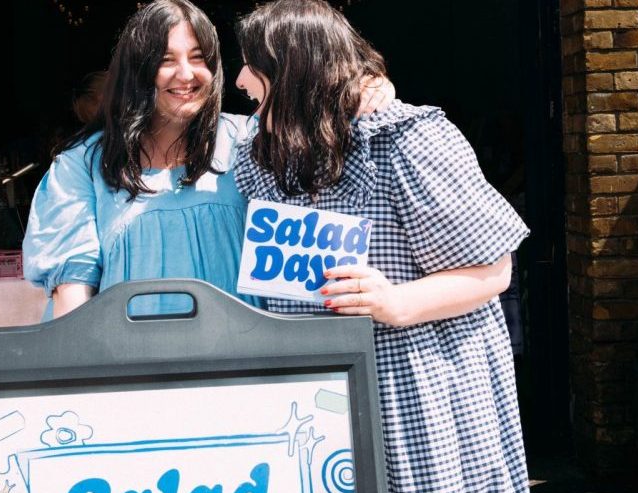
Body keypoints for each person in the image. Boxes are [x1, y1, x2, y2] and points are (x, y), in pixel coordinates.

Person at [233, 1, 534, 493]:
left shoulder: (406, 142)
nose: (238, 80)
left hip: (414, 393)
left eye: (251, 64)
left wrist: (396, 300)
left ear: (294, 69)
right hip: (313, 401)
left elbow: (493, 270)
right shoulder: (262, 151)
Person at [23, 0, 393, 320]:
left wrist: (364, 87)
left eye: (198, 58)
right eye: (166, 60)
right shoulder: (83, 166)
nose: (186, 75)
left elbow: (316, 124)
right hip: (134, 374)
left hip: (245, 369)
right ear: (136, 71)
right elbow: (72, 295)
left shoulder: (249, 140)